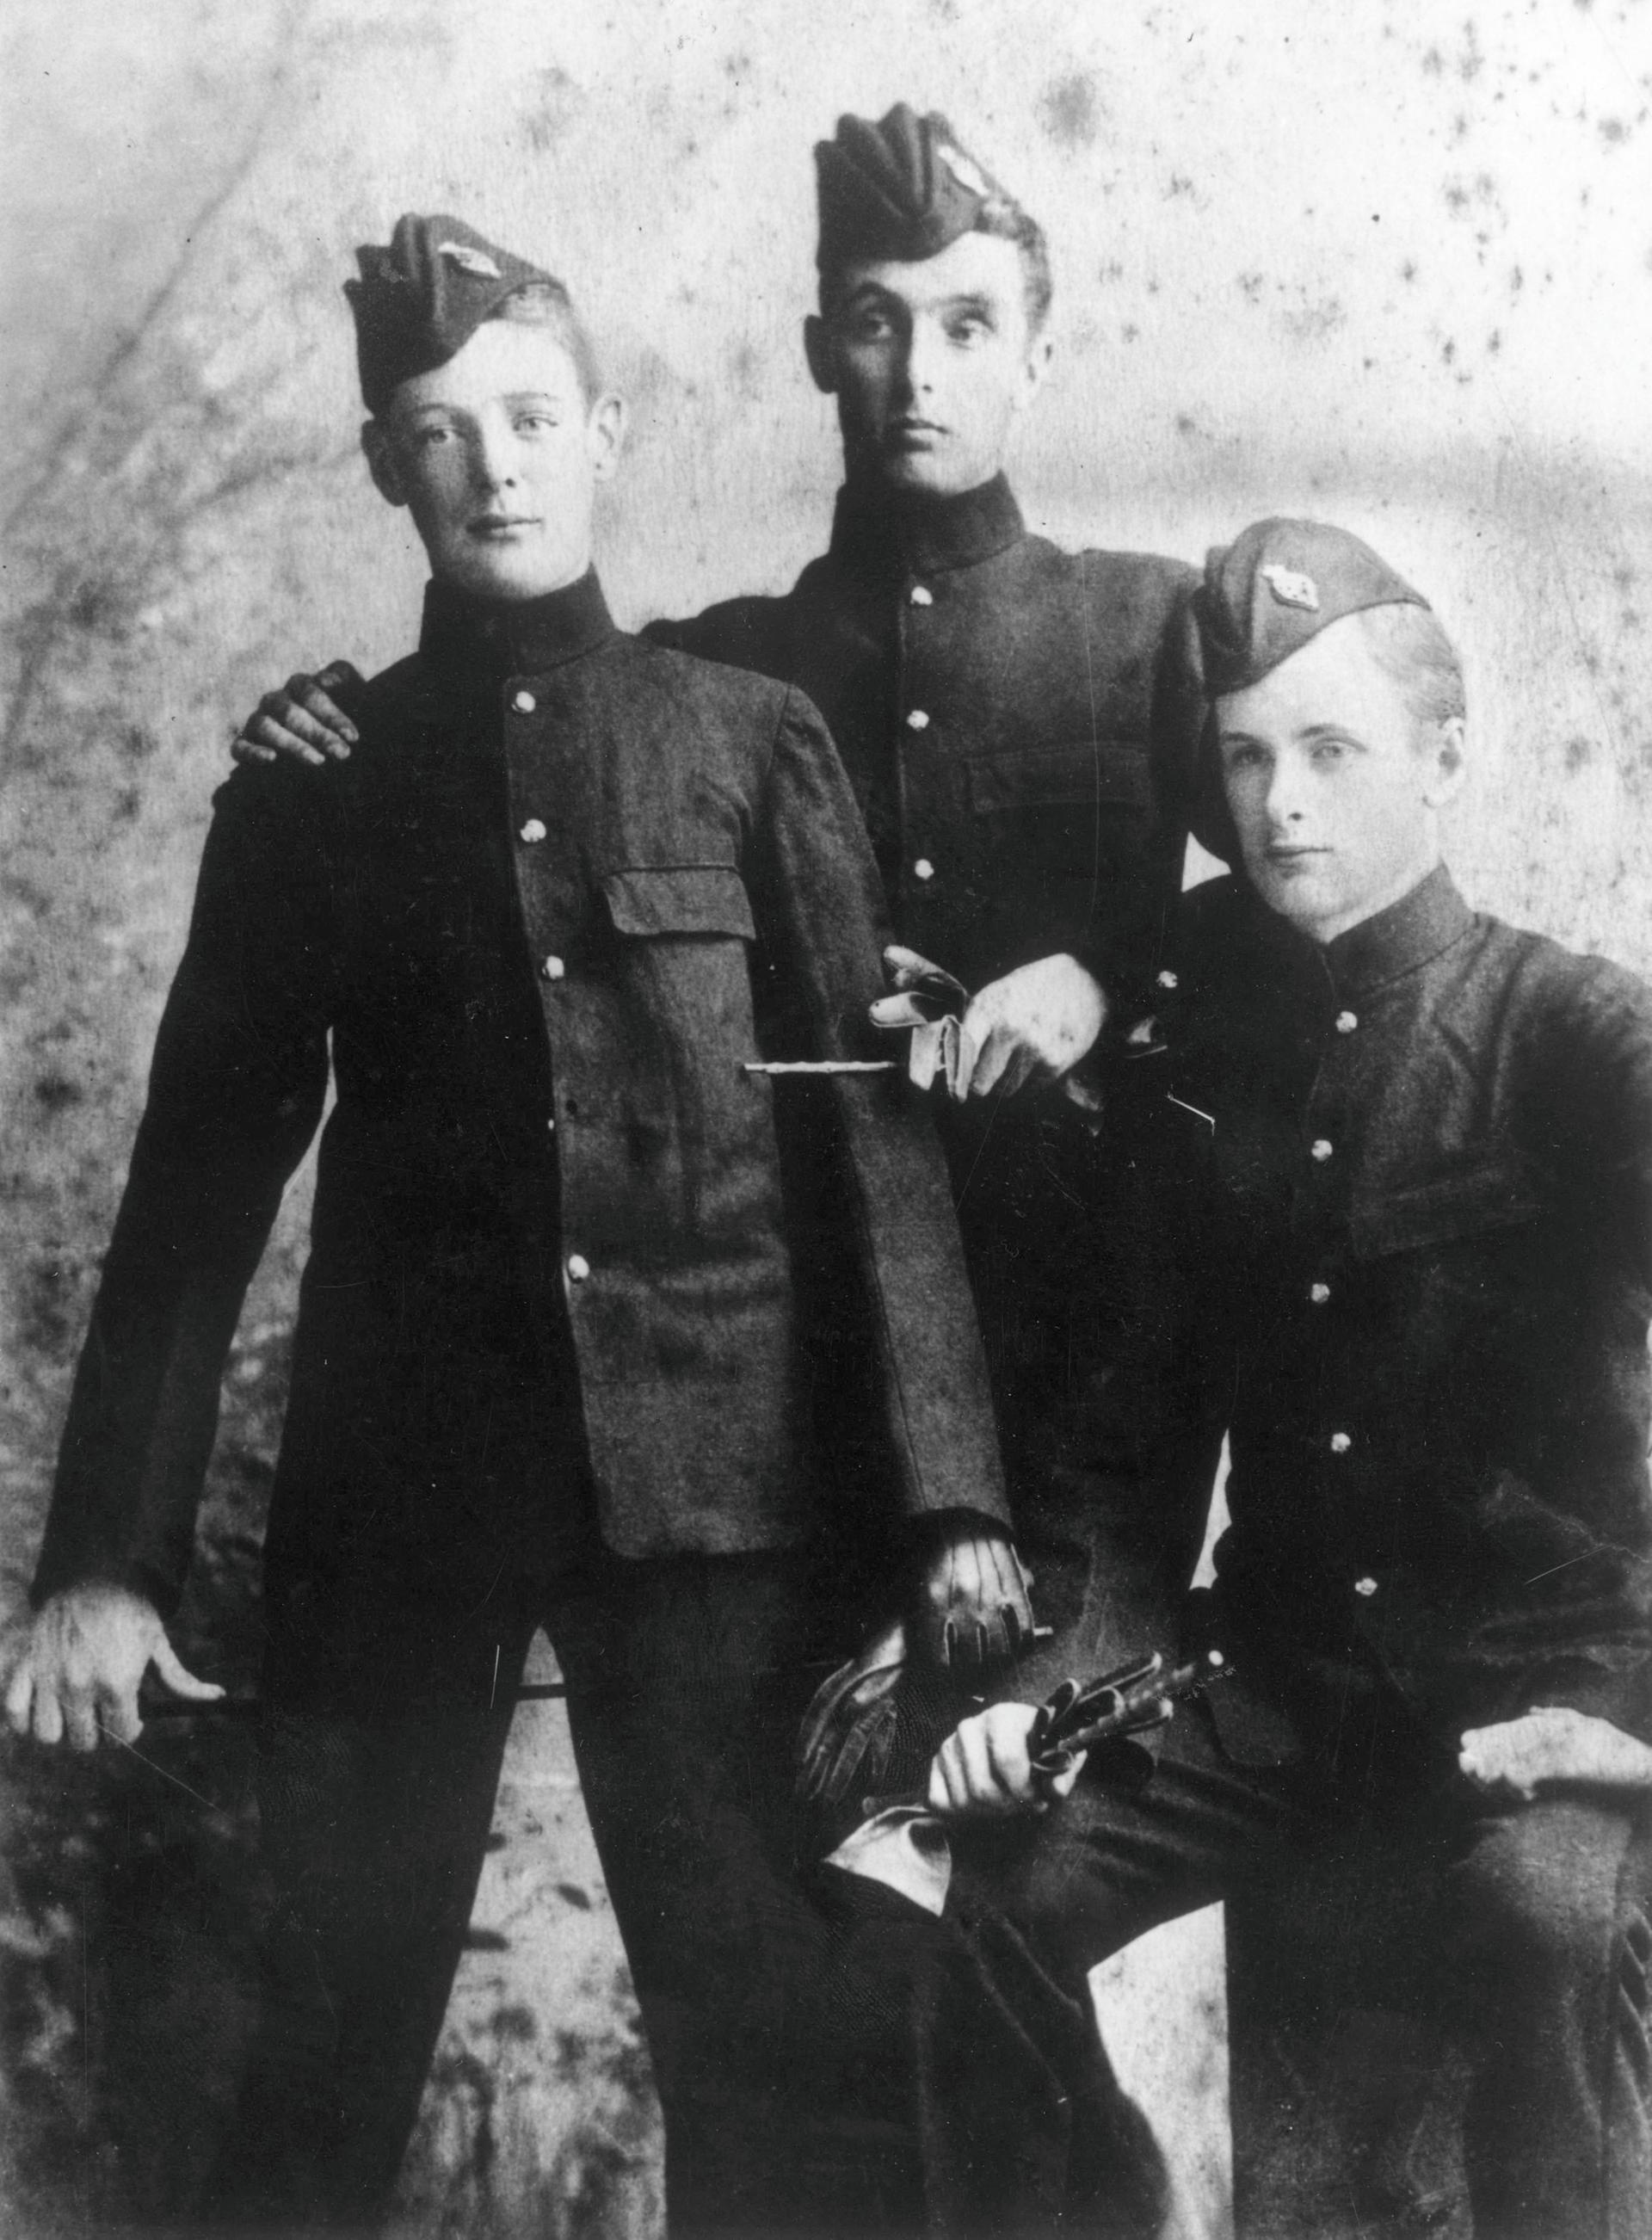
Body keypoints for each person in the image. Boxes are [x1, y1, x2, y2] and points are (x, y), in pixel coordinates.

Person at [3, 212, 1017, 2236]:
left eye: (533, 415)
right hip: (401, 1507)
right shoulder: (313, 783)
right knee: (315, 2052)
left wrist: (949, 1515)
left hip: (720, 1507)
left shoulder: (747, 740)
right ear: (392, 470)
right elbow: (197, 1194)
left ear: (609, 431)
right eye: (442, 432)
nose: (499, 465)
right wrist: (102, 1564)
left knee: (781, 2081)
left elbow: (872, 1163)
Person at [231, 97, 1216, 1744]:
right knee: (833, 1892)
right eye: (881, 327)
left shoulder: (1146, 627)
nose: (921, 373)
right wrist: (320, 724)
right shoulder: (726, 671)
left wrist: (1104, 977)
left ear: (1039, 353)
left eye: (970, 325)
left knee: (1012, 1847)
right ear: (824, 349)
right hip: (796, 1376)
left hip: (1080, 1348)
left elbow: (1301, 936)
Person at [924, 519, 1652, 2239]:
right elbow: (1118, 1445)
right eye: (1245, 758)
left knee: (1545, 1928)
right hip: (1284, 1694)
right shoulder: (1210, 1039)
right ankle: (1123, 2207)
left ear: (1447, 760)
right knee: (987, 1894)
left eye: (1333, 751)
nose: (1282, 805)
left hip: (1541, 1697)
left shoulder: (1570, 1034)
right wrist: (1044, 1690)